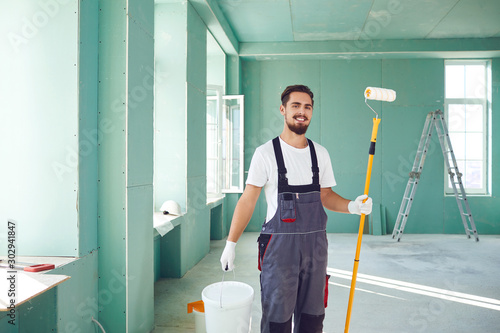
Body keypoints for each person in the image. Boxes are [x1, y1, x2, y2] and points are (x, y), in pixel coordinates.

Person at [220, 84, 373, 333]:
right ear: (283, 109)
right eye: (295, 106)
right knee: (277, 321)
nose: (302, 112)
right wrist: (231, 243)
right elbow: (248, 200)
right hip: (279, 254)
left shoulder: (319, 154)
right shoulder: (265, 154)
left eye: (307, 107)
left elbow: (326, 195)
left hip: (315, 252)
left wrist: (353, 206)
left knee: (312, 319)